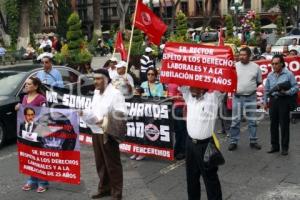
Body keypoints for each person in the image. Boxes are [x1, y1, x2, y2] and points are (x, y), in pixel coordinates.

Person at [81, 69, 126, 200]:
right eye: (94, 79)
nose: (96, 82)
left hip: (108, 132)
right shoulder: (96, 93)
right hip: (95, 131)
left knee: (113, 164)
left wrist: (106, 119)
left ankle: (117, 193)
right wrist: (84, 113)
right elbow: (93, 108)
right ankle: (104, 189)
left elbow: (121, 113)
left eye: (99, 79)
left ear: (107, 79)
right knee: (100, 163)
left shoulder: (116, 94)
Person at [179, 86, 223, 200]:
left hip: (206, 145)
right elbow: (180, 79)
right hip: (190, 145)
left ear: (203, 87)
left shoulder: (213, 98)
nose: (190, 88)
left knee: (210, 180)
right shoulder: (189, 96)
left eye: (194, 85)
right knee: (191, 178)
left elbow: (223, 86)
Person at [15, 77, 48, 193]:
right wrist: (19, 107)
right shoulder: (24, 97)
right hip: (26, 133)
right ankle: (32, 180)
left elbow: (45, 115)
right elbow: (24, 113)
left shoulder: (41, 99)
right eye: (26, 84)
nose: (26, 86)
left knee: (39, 157)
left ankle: (42, 182)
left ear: (35, 86)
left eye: (29, 84)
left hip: (38, 132)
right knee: (29, 156)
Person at [228, 47, 262, 151]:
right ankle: (233, 141)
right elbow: (230, 80)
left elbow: (258, 81)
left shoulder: (256, 67)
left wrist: (248, 89)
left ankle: (253, 141)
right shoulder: (234, 66)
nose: (241, 57)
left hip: (251, 97)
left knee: (252, 121)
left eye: (244, 55)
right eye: (240, 55)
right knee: (235, 121)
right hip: (237, 97)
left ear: (249, 56)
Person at [264, 54, 298, 156]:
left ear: (282, 64)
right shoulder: (270, 75)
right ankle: (274, 146)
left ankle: (284, 148)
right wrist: (265, 102)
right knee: (273, 124)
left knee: (284, 125)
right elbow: (266, 90)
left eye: (276, 64)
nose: (274, 66)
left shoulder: (289, 74)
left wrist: (287, 92)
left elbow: (296, 87)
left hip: (284, 101)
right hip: (273, 101)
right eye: (272, 64)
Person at [130, 67, 165, 161]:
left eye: (152, 74)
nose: (150, 76)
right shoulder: (143, 84)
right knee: (138, 131)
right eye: (148, 74)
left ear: (156, 75)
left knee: (147, 132)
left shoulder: (159, 85)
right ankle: (136, 151)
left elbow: (159, 98)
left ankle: (143, 152)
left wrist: (149, 97)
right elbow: (138, 95)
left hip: (152, 112)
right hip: (142, 111)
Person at [167, 83, 187, 160]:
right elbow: (169, 97)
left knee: (182, 131)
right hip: (176, 109)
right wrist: (176, 97)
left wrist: (180, 97)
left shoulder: (185, 83)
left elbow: (190, 97)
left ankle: (182, 150)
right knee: (179, 131)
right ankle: (178, 150)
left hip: (183, 109)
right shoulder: (171, 84)